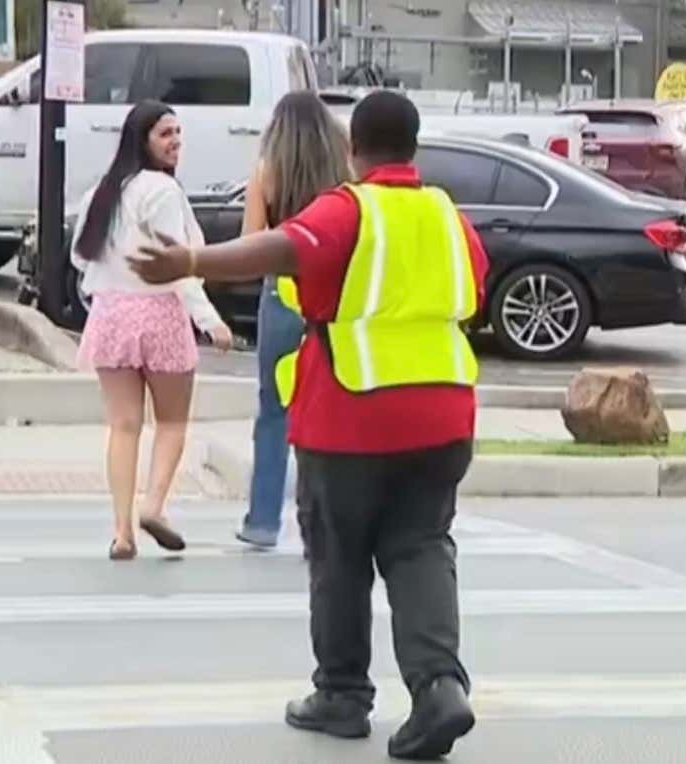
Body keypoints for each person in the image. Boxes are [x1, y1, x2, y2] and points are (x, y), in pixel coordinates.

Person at [130, 90, 488, 760]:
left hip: (352, 417)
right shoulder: (446, 216)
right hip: (443, 417)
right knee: (422, 548)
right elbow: (476, 285)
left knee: (340, 558)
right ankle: (440, 686)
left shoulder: (350, 208)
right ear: (414, 150)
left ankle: (343, 695)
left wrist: (193, 263)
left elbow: (280, 246)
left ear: (355, 149)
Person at [71, 99, 233, 561]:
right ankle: (154, 505)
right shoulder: (161, 192)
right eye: (165, 133)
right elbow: (177, 264)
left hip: (110, 314)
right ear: (143, 139)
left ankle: (122, 532)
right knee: (173, 421)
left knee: (122, 427)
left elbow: (81, 255)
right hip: (159, 311)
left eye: (178, 132)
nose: (175, 141)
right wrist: (210, 319)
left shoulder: (102, 191)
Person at [235, 92, 354, 550]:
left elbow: (251, 242)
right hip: (337, 295)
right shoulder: (343, 174)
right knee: (334, 404)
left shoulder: (268, 172)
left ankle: (263, 520)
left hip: (282, 295)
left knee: (274, 409)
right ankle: (326, 522)